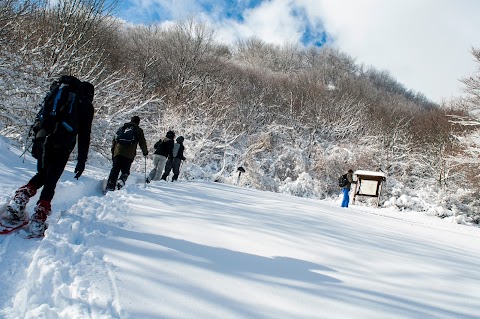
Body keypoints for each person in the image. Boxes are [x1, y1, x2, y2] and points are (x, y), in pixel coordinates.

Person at [0, 77, 95, 237]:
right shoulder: (85, 104)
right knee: (51, 179)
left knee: (43, 174)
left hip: (42, 137)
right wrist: (82, 159)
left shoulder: (58, 92)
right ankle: (39, 218)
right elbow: (84, 135)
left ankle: (21, 198)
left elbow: (41, 115)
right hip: (62, 143)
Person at [106, 116, 148, 191]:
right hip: (129, 154)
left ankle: (110, 186)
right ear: (138, 122)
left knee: (115, 169)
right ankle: (121, 182)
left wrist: (113, 151)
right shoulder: (138, 130)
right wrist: (145, 152)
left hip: (117, 152)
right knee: (125, 171)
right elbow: (142, 142)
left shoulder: (122, 128)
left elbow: (114, 139)